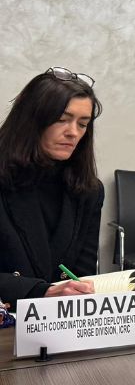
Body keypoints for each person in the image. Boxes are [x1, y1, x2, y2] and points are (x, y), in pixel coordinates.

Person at [0, 68, 103, 308]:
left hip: (62, 322)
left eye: (83, 124)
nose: (73, 132)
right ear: (31, 119)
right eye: (62, 119)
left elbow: (82, 273)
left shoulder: (89, 190)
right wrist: (40, 291)